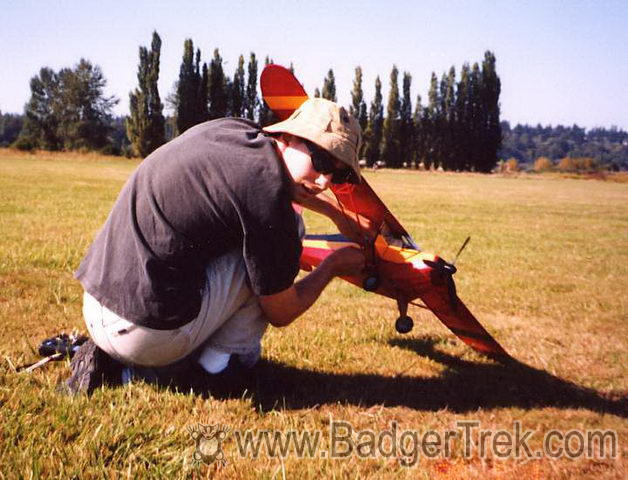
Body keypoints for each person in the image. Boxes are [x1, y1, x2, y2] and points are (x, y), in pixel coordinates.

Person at [66, 98, 366, 394]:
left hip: (96, 304)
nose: (326, 181)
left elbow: (274, 181)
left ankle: (120, 356)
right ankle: (215, 368)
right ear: (289, 137)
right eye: (322, 161)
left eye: (338, 173)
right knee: (274, 252)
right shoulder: (269, 203)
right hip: (142, 334)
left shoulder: (233, 131)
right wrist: (333, 266)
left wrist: (336, 213)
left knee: (257, 244)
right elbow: (282, 312)